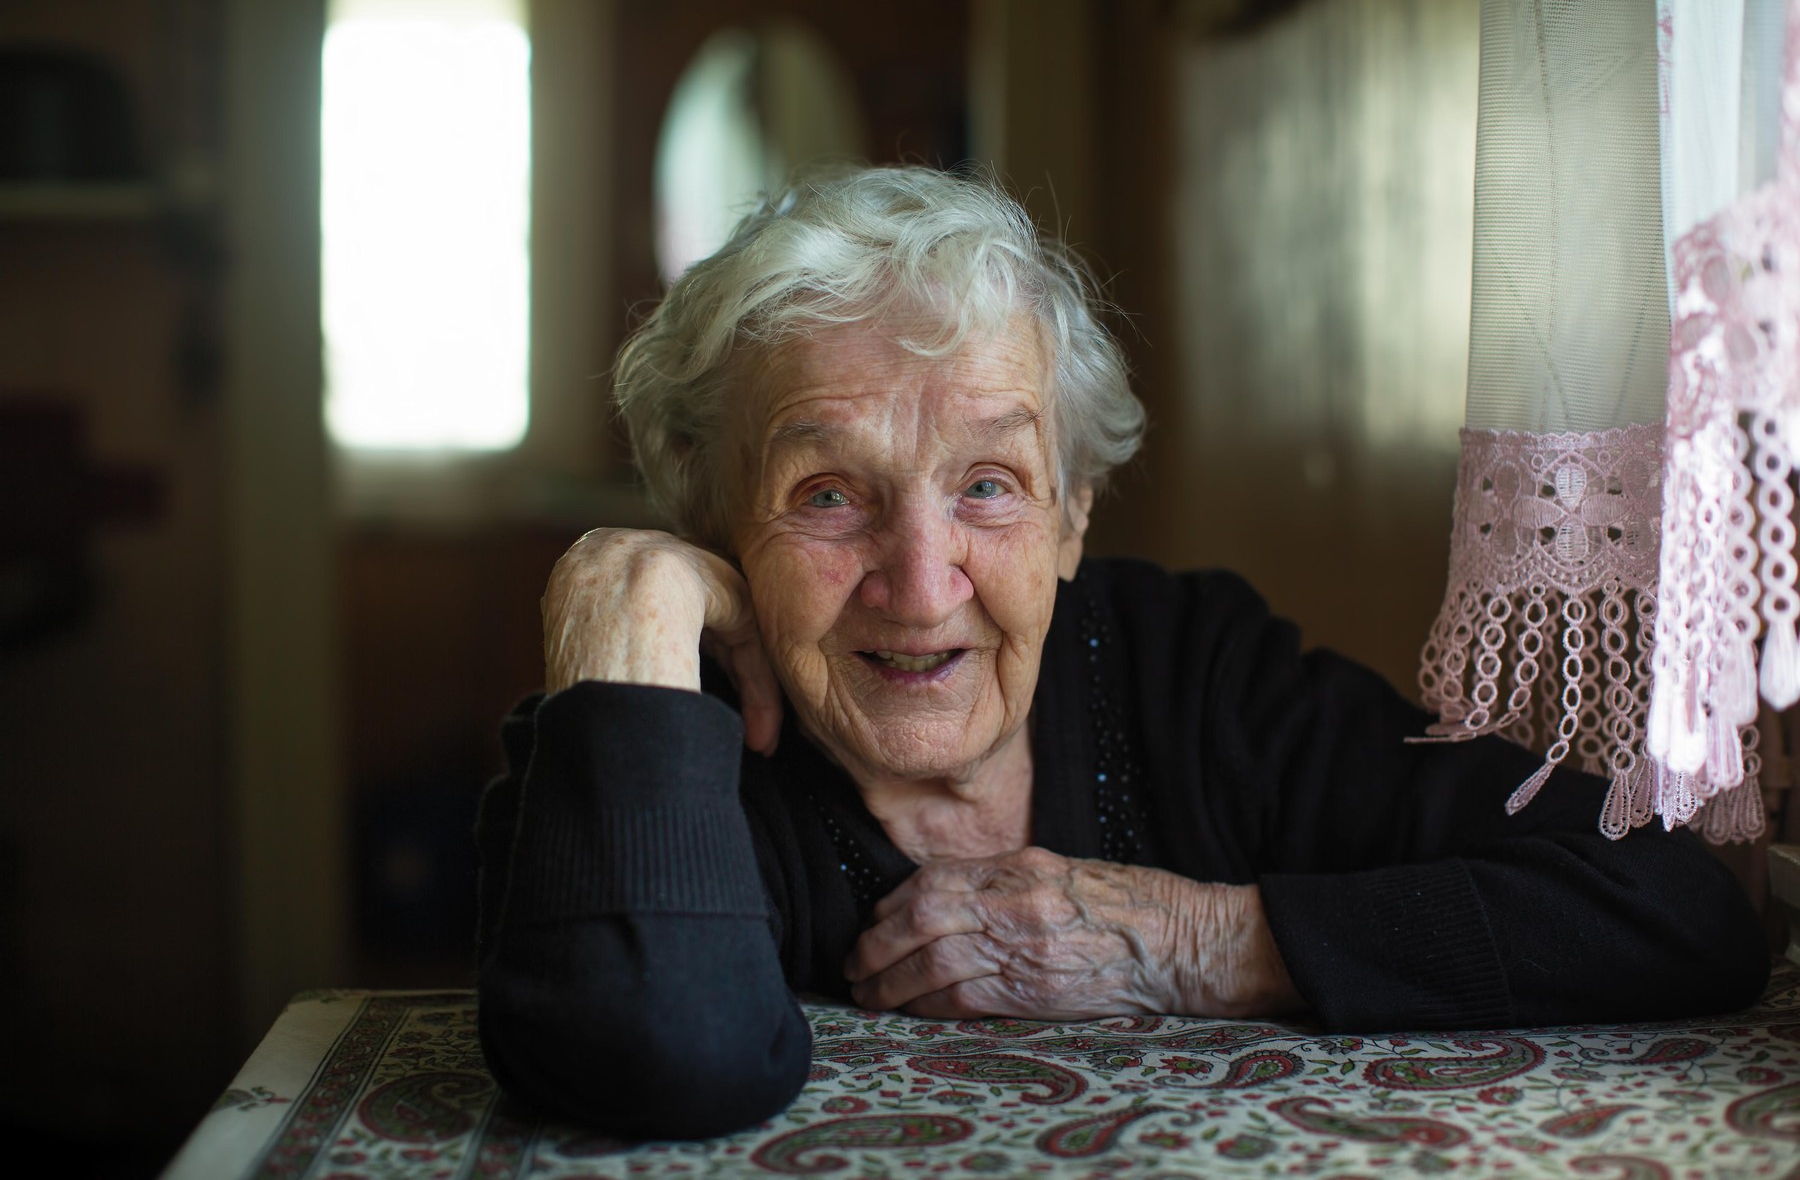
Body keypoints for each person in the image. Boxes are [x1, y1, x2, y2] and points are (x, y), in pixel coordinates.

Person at [475, 165, 1769, 1141]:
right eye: (827, 496)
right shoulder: (643, 735)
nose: (923, 586)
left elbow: (1676, 907)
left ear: (1076, 512)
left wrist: (1209, 942)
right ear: (713, 521)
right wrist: (628, 595)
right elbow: (658, 1060)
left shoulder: (1190, 673)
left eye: (990, 485)